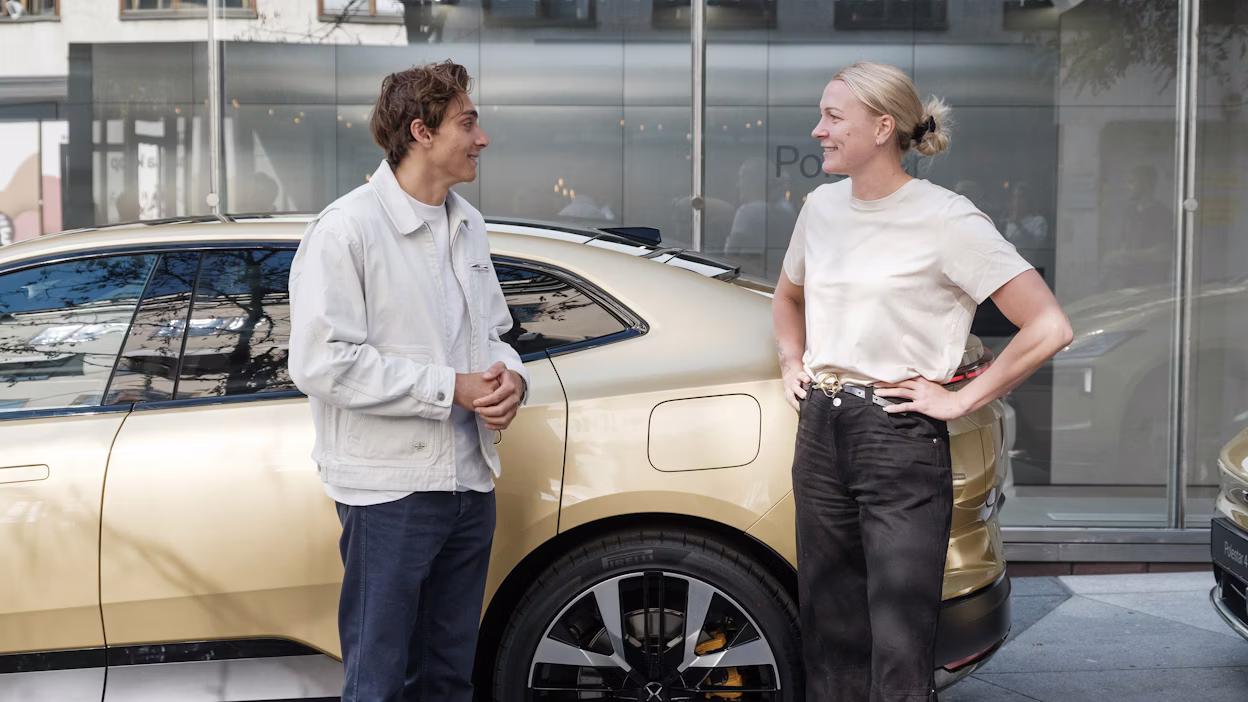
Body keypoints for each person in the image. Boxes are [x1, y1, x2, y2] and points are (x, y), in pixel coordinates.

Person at [771, 62, 1072, 702]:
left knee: (900, 644)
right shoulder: (821, 207)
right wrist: (791, 362)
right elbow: (787, 298)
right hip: (821, 430)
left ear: (883, 127)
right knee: (828, 633)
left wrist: (962, 397)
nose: (817, 129)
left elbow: (1047, 325)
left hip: (899, 435)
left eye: (832, 116)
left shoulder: (947, 219)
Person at [288, 60, 528, 702]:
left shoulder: (468, 222)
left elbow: (496, 335)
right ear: (422, 131)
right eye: (468, 123)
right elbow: (321, 363)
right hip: (389, 494)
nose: (482, 138)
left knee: (448, 680)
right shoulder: (346, 229)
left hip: (469, 485)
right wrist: (452, 388)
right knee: (378, 683)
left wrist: (512, 381)